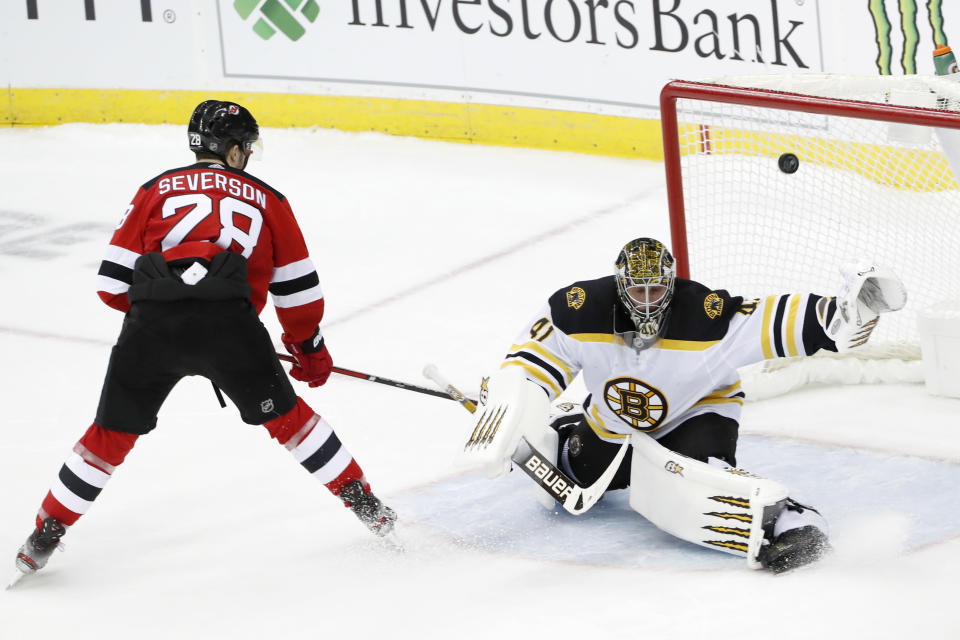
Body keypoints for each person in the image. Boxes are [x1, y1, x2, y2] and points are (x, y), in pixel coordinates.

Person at [14, 100, 396, 577]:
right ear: (234, 150)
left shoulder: (153, 190)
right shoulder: (269, 199)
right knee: (291, 421)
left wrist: (165, 307)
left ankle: (45, 533)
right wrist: (307, 348)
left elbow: (111, 285)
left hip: (150, 330)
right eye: (247, 147)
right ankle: (366, 505)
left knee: (108, 437)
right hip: (232, 330)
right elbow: (298, 293)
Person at [460, 237, 906, 573]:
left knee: (697, 480)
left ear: (672, 284)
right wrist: (509, 406)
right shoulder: (578, 309)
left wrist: (845, 313)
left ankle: (790, 520)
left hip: (699, 410)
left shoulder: (706, 317)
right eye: (638, 290)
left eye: (657, 290)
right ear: (620, 286)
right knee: (576, 476)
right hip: (612, 417)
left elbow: (774, 318)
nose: (648, 300)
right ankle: (569, 431)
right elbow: (531, 364)